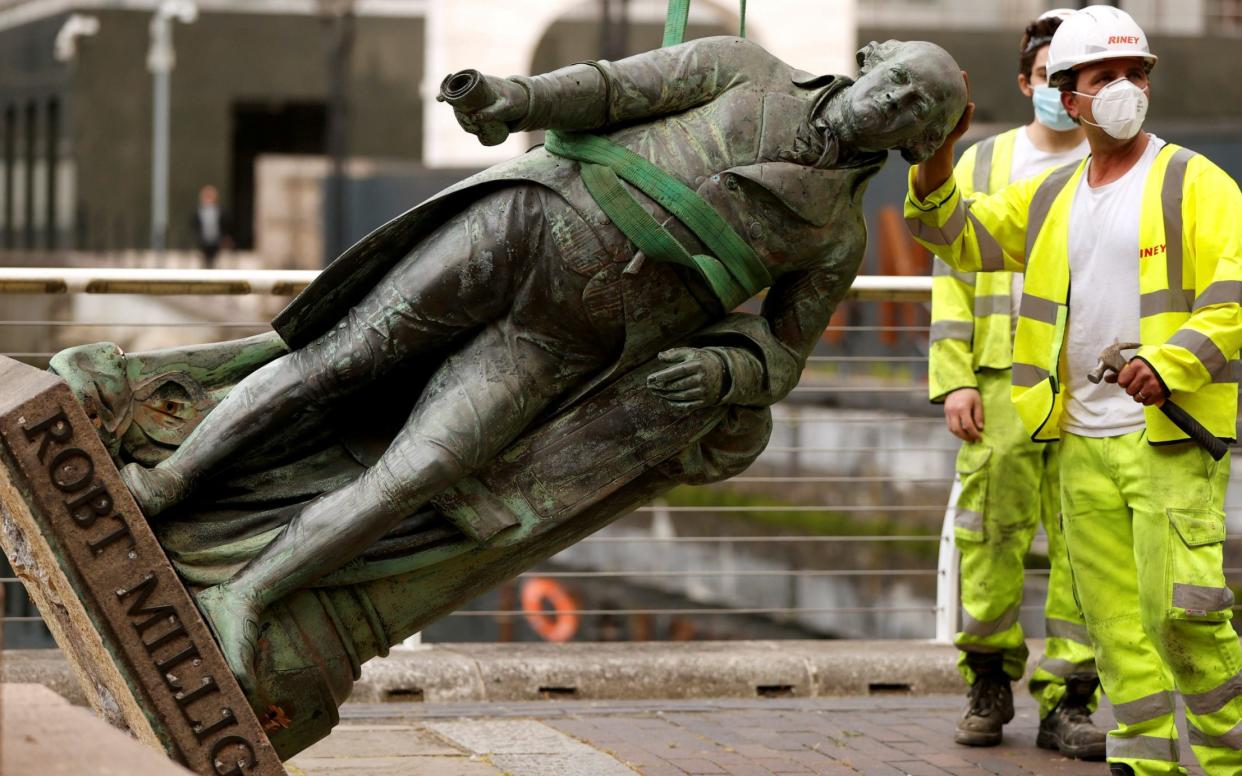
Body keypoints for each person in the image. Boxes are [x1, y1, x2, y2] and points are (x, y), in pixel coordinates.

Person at [118, 35, 967, 692]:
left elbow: (784, 353)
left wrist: (725, 374)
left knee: (422, 471)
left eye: (914, 108)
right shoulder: (745, 68)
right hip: (527, 224)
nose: (890, 102)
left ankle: (249, 594)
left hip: (564, 343)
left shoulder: (835, 240)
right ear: (870, 62)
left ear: (917, 138)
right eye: (896, 79)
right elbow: (610, 89)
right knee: (339, 359)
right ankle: (166, 484)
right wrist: (512, 99)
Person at [907, 7, 1242, 775]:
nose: (1125, 88)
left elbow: (1233, 298)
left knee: (1182, 616)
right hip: (1080, 443)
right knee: (1118, 626)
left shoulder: (1196, 182)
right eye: (1104, 78)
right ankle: (1143, 763)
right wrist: (936, 153)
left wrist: (1172, 363)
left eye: (1136, 74)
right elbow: (953, 235)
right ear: (1067, 93)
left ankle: (1227, 762)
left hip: (1168, 437)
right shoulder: (1053, 197)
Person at [929, 8, 1105, 758]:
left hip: (1085, 385)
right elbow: (953, 275)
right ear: (1028, 82)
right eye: (1045, 78)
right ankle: (989, 680)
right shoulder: (985, 164)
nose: (1055, 93)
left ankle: (1068, 697)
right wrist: (955, 380)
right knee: (990, 538)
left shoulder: (1114, 166)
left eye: (1068, 81)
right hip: (1000, 383)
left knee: (1082, 544)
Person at [191, 184, 231, 266]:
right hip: (202, 242)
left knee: (215, 262)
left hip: (216, 242)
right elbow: (194, 226)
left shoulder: (220, 211)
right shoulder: (198, 211)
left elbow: (225, 225)